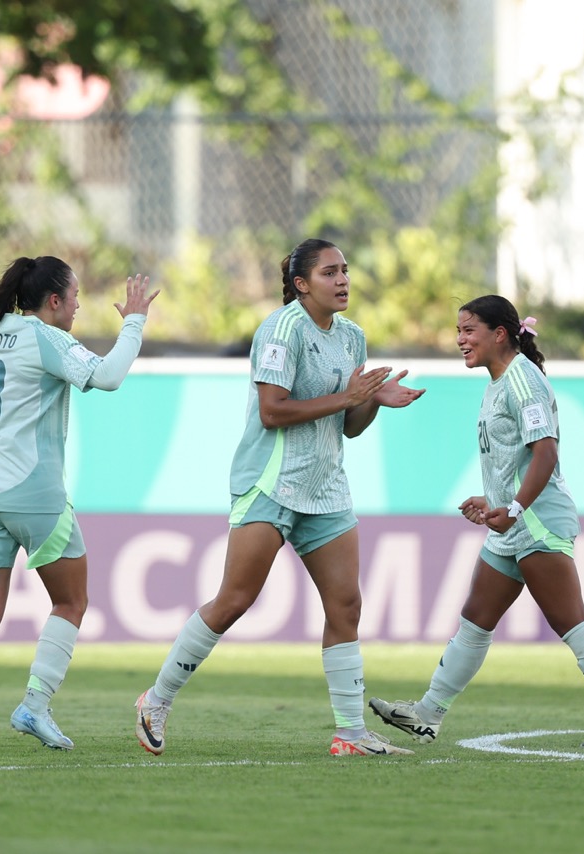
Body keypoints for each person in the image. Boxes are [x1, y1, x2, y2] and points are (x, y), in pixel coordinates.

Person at [133, 238, 425, 757]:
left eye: (346, 270)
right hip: (270, 482)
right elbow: (273, 410)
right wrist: (348, 396)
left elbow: (350, 426)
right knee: (235, 600)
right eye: (330, 272)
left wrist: (373, 401)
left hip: (325, 486)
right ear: (300, 284)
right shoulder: (281, 329)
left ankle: (351, 734)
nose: (343, 280)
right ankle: (155, 700)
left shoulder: (353, 336)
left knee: (346, 605)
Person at [368, 296, 584, 748]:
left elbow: (547, 452)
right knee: (475, 618)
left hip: (537, 521)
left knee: (569, 621)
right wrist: (493, 501)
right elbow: (518, 459)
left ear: (499, 333)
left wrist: (517, 507)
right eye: (458, 331)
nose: (460, 340)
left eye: (468, 331)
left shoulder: (522, 379)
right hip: (514, 522)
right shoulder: (499, 380)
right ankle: (428, 714)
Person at [0, 257, 158, 752]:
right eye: (75, 296)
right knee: (72, 600)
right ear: (53, 301)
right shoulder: (46, 336)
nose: (78, 306)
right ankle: (34, 704)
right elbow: (109, 377)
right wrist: (135, 321)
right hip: (32, 494)